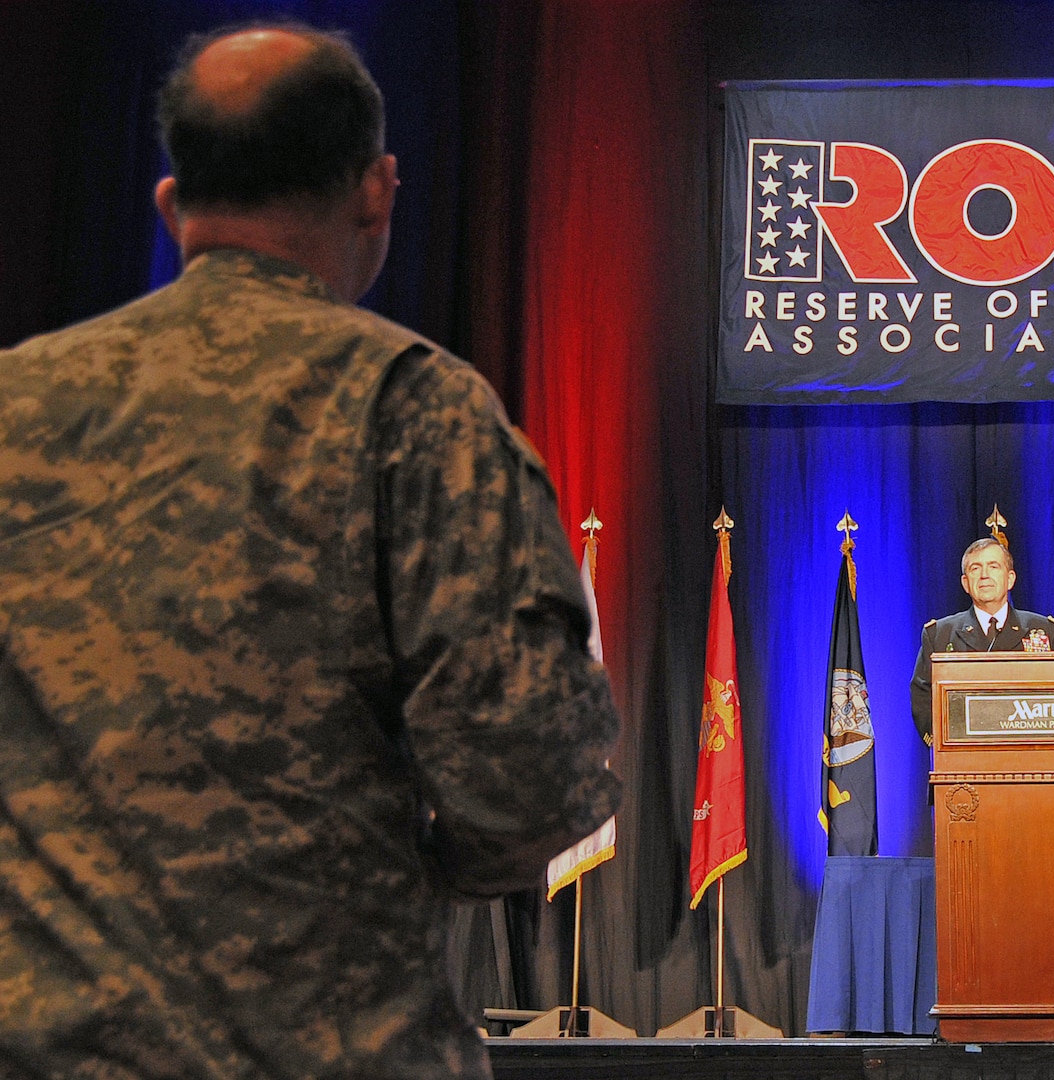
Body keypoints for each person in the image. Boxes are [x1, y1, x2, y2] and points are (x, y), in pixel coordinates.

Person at [0, 23, 619, 1080]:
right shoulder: (414, 413)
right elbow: (533, 781)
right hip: (331, 1048)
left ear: (171, 202)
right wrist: (405, 871)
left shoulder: (18, 404)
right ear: (377, 191)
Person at [910, 537, 1054, 744]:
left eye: (993, 566)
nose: (984, 575)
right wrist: (943, 743)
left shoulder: (1044, 630)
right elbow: (923, 697)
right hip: (964, 757)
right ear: (965, 583)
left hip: (1031, 754)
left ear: (1010, 579)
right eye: (976, 568)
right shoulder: (939, 634)